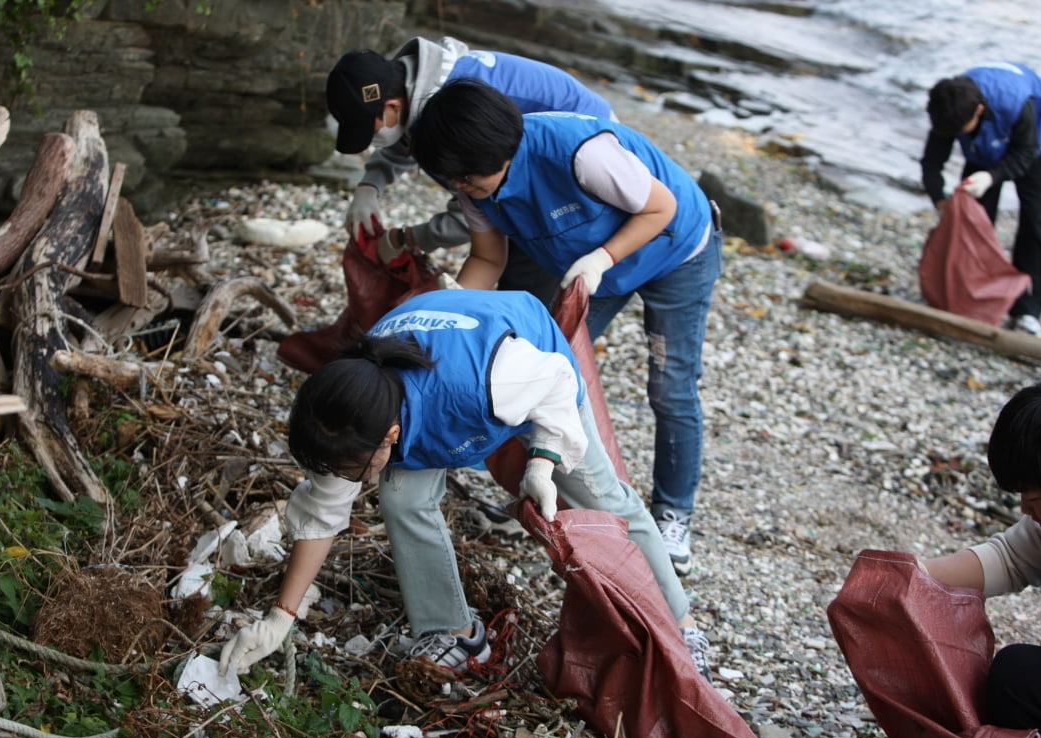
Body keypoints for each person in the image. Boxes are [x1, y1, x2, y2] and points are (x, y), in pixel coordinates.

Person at [219, 289, 708, 679]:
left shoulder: (479, 386)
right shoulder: (346, 412)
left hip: (531, 360)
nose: (346, 481)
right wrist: (281, 618)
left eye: (353, 470)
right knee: (400, 495)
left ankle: (680, 624)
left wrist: (541, 461)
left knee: (602, 498)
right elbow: (321, 512)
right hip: (443, 351)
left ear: (391, 436)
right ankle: (453, 629)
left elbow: (556, 379)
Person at [409, 79, 721, 576]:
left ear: (497, 151)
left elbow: (663, 208)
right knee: (542, 373)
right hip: (593, 268)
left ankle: (672, 515)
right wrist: (450, 316)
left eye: (467, 178)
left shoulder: (582, 154)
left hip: (674, 249)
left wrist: (602, 258)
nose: (461, 189)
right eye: (453, 181)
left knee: (670, 385)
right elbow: (488, 257)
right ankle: (539, 495)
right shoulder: (471, 182)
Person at [326, 37, 615, 303]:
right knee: (496, 251)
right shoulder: (412, 85)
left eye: (368, 129)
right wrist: (370, 185)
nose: (370, 141)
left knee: (525, 277)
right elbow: (404, 136)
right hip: (524, 156)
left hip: (581, 158)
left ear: (392, 104)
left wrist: (407, 239)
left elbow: (475, 200)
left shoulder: (454, 109)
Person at [917, 378, 1041, 738]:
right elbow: (1011, 555)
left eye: (1035, 497)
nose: (1024, 508)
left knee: (1017, 677)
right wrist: (911, 575)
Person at [920, 62, 1041, 336]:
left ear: (979, 111)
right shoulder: (949, 108)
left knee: (1034, 217)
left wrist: (991, 178)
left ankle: (1028, 310)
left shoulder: (1017, 103)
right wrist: (940, 200)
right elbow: (932, 162)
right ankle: (972, 296)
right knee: (974, 219)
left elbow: (1025, 152)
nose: (955, 135)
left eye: (961, 129)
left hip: (1034, 144)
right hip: (982, 148)